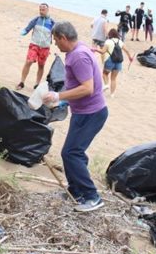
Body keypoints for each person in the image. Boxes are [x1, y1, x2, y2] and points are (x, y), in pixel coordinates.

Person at [43, 22, 108, 213]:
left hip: (92, 113)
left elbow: (87, 88)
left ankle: (92, 196)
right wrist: (63, 102)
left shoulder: (78, 56)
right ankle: (76, 190)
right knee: (73, 152)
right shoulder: (79, 50)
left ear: (63, 37)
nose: (55, 44)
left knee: (72, 153)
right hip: (83, 112)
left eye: (56, 40)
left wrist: (59, 96)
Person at [17, 3, 55, 90]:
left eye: (43, 10)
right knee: (29, 61)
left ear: (47, 10)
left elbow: (56, 33)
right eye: (40, 10)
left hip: (45, 48)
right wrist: (23, 32)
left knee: (41, 65)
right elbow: (28, 28)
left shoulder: (52, 22)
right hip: (34, 45)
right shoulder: (36, 20)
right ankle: (22, 82)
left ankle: (37, 84)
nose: (41, 12)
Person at [93, 28, 134, 98]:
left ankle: (106, 85)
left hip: (110, 60)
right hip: (118, 61)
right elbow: (126, 50)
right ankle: (112, 94)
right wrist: (130, 58)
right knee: (113, 78)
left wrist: (95, 49)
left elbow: (103, 51)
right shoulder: (120, 41)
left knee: (105, 74)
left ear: (110, 35)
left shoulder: (108, 41)